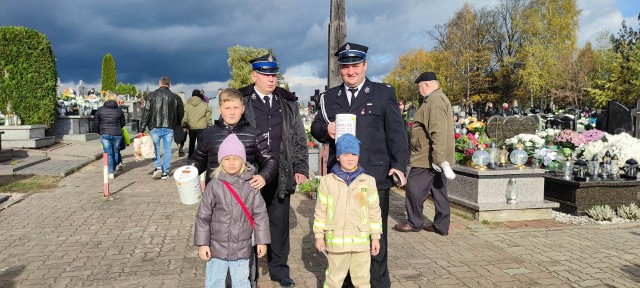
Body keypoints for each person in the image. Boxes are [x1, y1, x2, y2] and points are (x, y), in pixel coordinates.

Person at [311, 42, 409, 288]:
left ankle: (377, 282)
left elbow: (397, 133)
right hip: (341, 179)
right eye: (345, 67)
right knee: (341, 232)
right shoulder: (329, 97)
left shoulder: (383, 93)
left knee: (374, 234)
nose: (351, 71)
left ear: (365, 65)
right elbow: (315, 127)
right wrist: (326, 129)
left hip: (373, 177)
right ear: (340, 69)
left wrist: (399, 165)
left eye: (355, 65)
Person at [238, 53, 309, 287]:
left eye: (274, 75)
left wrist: (301, 167)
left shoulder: (286, 102)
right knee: (248, 223)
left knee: (279, 225)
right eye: (266, 75)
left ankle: (279, 269)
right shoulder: (242, 99)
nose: (271, 79)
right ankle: (248, 272)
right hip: (250, 174)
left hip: (281, 172)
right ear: (254, 75)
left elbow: (298, 135)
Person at [194, 133, 271, 288]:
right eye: (227, 159)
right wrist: (203, 244)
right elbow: (203, 217)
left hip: (242, 248)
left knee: (242, 282)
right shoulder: (214, 186)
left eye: (235, 158)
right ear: (221, 161)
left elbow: (260, 215)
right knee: (214, 282)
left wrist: (262, 241)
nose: (231, 163)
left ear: (242, 161)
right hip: (216, 248)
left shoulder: (252, 186)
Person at [313, 133, 382, 287]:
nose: (350, 158)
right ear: (338, 157)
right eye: (345, 154)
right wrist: (319, 236)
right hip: (336, 243)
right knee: (333, 280)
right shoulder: (327, 182)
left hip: (361, 243)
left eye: (354, 154)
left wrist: (375, 237)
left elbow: (374, 212)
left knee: (362, 280)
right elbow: (320, 211)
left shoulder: (368, 181)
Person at [393, 72, 456, 236]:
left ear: (426, 85)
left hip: (428, 158)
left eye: (419, 86)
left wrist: (438, 159)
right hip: (434, 156)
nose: (419, 90)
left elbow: (438, 132)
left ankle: (414, 222)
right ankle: (441, 225)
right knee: (439, 190)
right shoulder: (436, 99)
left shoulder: (434, 101)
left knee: (413, 188)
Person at [189, 88, 277, 187]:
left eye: (236, 108)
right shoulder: (208, 134)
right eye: (227, 108)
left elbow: (270, 160)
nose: (232, 112)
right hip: (215, 194)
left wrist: (264, 176)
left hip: (244, 195)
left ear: (243, 109)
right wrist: (193, 167)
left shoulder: (254, 134)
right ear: (219, 109)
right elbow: (197, 160)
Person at [138, 76, 184, 180]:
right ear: (169, 84)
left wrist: (141, 129)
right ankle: (165, 172)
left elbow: (146, 113)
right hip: (169, 126)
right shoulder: (175, 97)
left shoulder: (151, 96)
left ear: (160, 84)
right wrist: (177, 123)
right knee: (168, 149)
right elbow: (181, 113)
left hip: (154, 126)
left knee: (156, 148)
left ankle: (158, 166)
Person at [93, 92, 125, 180]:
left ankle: (111, 172)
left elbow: (96, 122)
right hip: (117, 134)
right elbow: (123, 122)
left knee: (108, 153)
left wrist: (98, 131)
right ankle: (114, 169)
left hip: (105, 134)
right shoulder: (119, 110)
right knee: (115, 152)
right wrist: (118, 128)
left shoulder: (100, 109)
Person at [183, 89, 212, 160]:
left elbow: (185, 117)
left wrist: (184, 125)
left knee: (192, 143)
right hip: (202, 127)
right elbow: (208, 117)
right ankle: (200, 157)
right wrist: (210, 125)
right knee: (200, 143)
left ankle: (190, 156)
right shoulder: (205, 105)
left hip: (191, 127)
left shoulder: (187, 105)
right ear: (199, 95)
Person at [174, 91, 189, 157]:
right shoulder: (186, 105)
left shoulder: (174, 105)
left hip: (176, 123)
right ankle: (181, 148)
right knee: (183, 137)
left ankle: (179, 147)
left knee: (177, 138)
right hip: (184, 124)